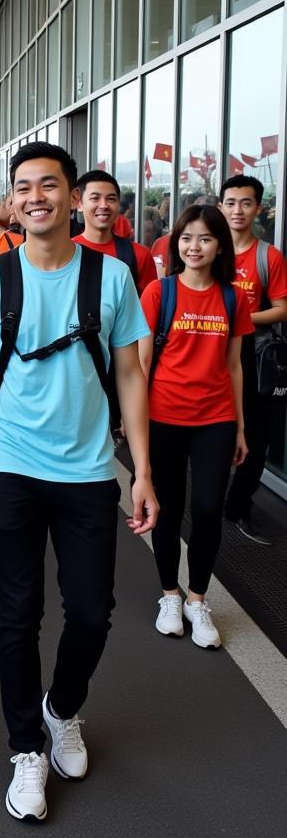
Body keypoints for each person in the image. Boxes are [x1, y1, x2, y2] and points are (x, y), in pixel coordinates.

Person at [0, 141, 158, 824]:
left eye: (49, 185)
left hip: (89, 468)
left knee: (93, 612)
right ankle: (25, 751)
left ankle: (61, 708)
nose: (35, 196)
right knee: (18, 613)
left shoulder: (112, 278)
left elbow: (130, 373)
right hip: (10, 462)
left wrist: (144, 473)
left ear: (74, 197)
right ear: (12, 200)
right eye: (23, 187)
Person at [139, 205, 250, 649]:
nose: (194, 247)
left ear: (219, 245)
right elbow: (142, 364)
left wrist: (240, 427)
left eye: (205, 239)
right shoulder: (158, 293)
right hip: (164, 415)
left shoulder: (232, 297)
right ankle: (170, 595)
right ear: (174, 243)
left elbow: (235, 366)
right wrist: (136, 425)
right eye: (186, 238)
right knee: (166, 509)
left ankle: (197, 600)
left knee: (207, 509)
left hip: (216, 419)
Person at [219, 174, 287, 545]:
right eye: (230, 203)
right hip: (210, 353)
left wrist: (237, 318)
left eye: (246, 203)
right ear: (220, 207)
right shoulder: (207, 248)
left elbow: (281, 310)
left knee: (256, 438)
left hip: (253, 353)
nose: (237, 210)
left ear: (258, 207)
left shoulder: (267, 256)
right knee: (212, 431)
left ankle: (238, 505)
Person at [73, 171, 157, 296]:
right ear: (79, 204)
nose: (104, 205)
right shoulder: (65, 253)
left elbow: (147, 310)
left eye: (111, 199)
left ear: (118, 205)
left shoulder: (139, 255)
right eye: (95, 198)